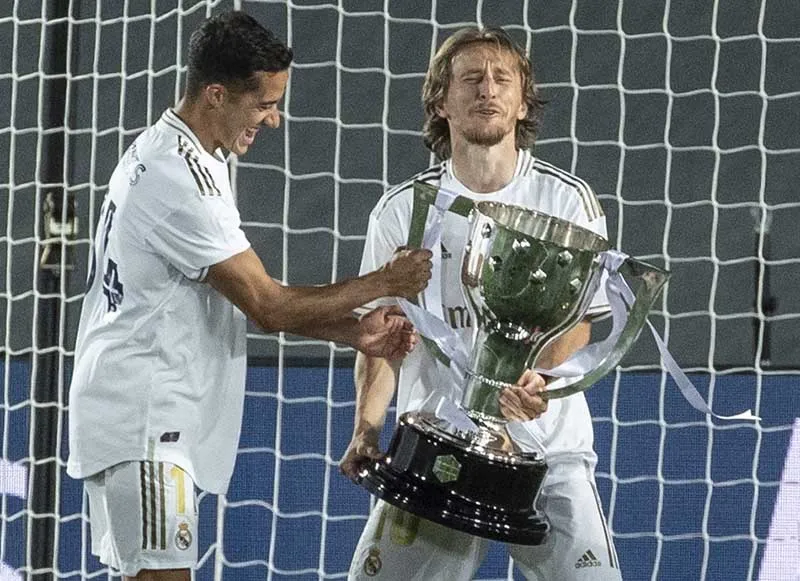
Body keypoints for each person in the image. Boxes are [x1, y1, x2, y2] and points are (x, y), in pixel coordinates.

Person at [66, 11, 432, 581]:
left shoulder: (177, 153)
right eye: (264, 104)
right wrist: (386, 282)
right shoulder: (178, 178)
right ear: (216, 94)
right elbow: (269, 304)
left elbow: (240, 304)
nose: (275, 119)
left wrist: (351, 330)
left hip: (142, 415)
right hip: (146, 419)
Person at [340, 27, 621, 580]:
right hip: (437, 449)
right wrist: (367, 429)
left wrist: (539, 378)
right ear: (441, 102)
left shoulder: (568, 201)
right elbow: (382, 338)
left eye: (501, 79)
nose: (486, 90)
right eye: (469, 79)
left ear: (522, 102)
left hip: (548, 448)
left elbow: (584, 322)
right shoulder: (402, 212)